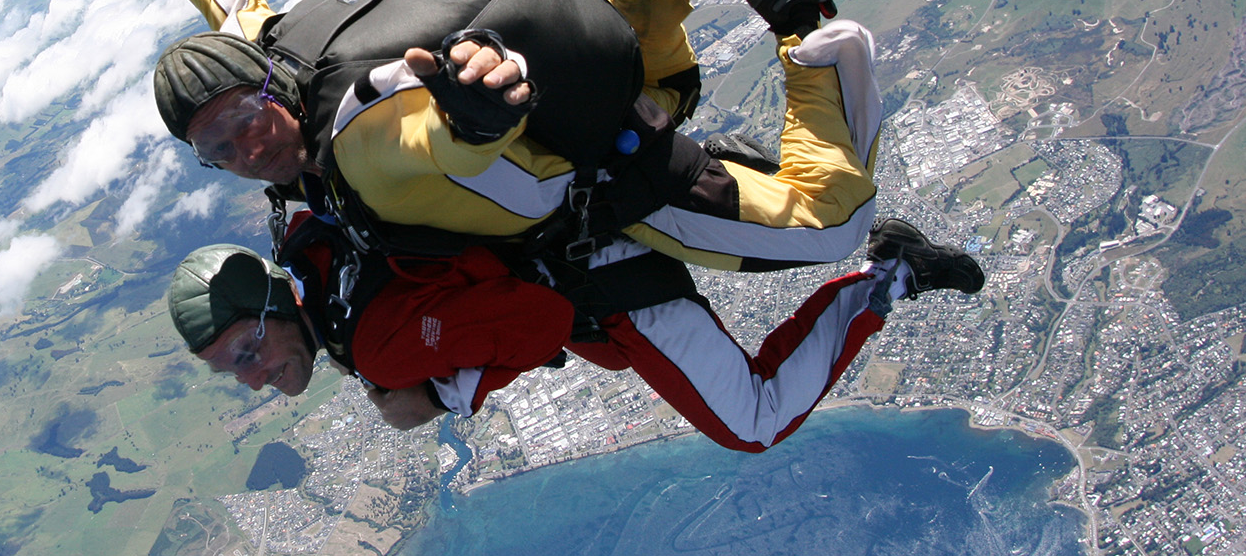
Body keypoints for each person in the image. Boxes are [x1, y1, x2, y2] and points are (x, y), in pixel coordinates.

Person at [69, 0, 881, 274]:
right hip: (556, 28)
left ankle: (800, 26)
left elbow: (416, 131)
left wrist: (477, 113)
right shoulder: (266, 43)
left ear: (267, 89)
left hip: (599, 176)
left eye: (243, 119)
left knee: (828, 225)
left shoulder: (357, 131)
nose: (245, 150)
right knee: (673, 80)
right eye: (215, 149)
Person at [168, 216, 984, 451]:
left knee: (754, 420)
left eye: (248, 350)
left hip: (606, 287)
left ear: (274, 312)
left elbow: (538, 322)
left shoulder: (370, 342)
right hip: (583, 255)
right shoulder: (309, 248)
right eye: (230, 371)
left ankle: (890, 274)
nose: (255, 377)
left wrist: (440, 395)